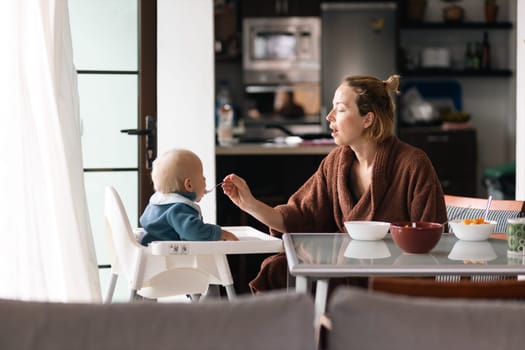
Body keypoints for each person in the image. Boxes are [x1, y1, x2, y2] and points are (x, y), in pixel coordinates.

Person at [221, 74, 447, 293]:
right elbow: (298, 216)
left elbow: (430, 240)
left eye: (339, 109)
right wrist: (249, 203)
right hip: (345, 273)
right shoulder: (336, 162)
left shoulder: (412, 164)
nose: (329, 116)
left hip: (395, 280)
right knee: (277, 268)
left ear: (367, 119)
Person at [140, 148, 238, 246]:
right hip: (167, 257)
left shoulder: (157, 203)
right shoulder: (178, 208)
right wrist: (219, 233)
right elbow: (194, 232)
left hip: (152, 251)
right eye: (202, 177)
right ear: (189, 185)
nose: (205, 179)